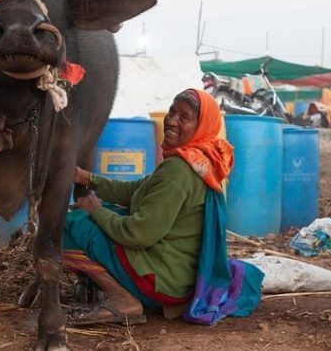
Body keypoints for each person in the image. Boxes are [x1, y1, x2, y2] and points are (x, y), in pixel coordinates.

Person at [64, 88, 264, 326]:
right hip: (181, 274)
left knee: (67, 224)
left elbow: (138, 234)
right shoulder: (194, 160)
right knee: (101, 214)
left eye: (184, 117)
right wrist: (87, 178)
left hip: (163, 279)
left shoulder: (178, 171)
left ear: (201, 126)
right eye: (172, 112)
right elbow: (135, 192)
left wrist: (95, 209)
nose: (171, 121)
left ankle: (123, 299)